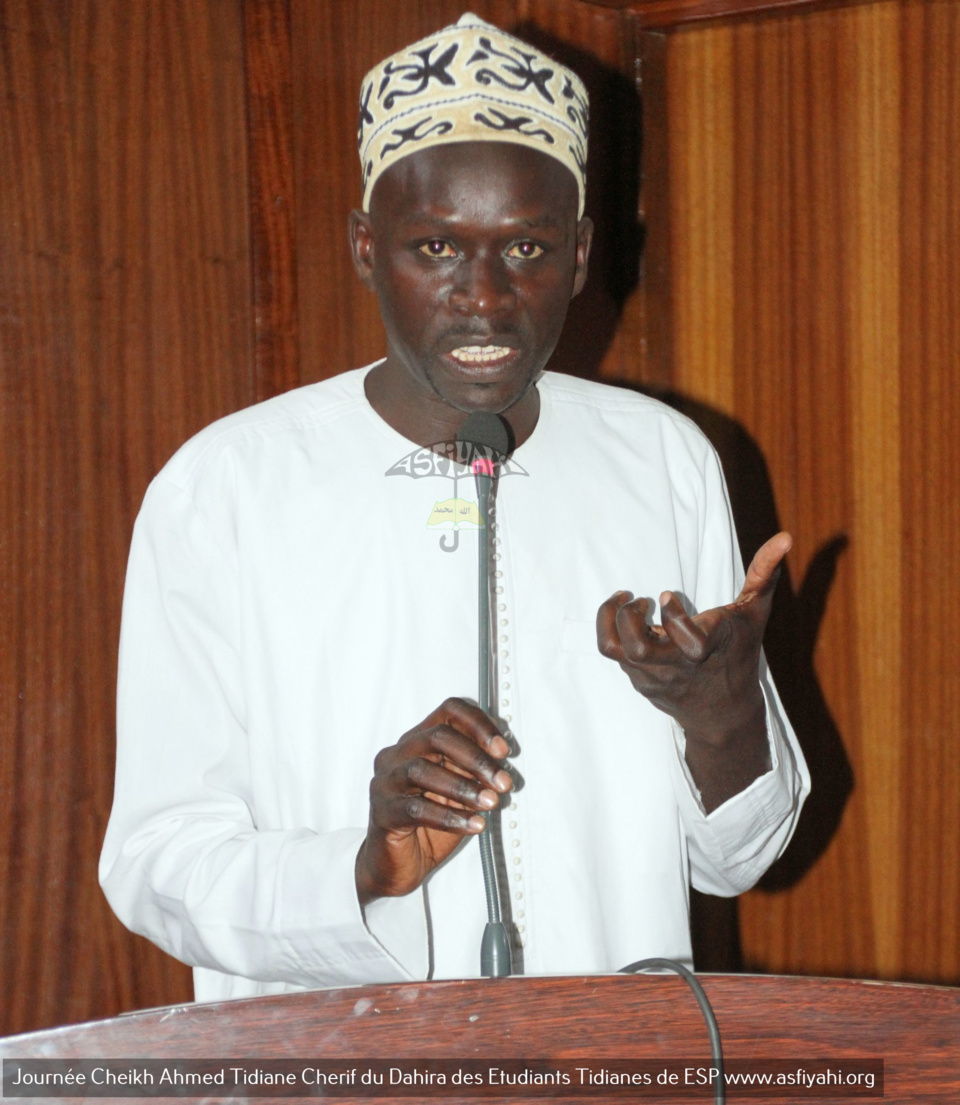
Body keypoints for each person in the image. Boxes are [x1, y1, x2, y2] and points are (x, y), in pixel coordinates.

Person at [100, 13, 809, 1004]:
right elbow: (155, 862)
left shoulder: (661, 460)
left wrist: (722, 714)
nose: (485, 296)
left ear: (579, 254)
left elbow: (737, 859)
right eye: (435, 245)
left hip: (604, 1061)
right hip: (334, 1064)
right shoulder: (225, 488)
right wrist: (363, 863)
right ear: (365, 248)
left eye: (526, 246)